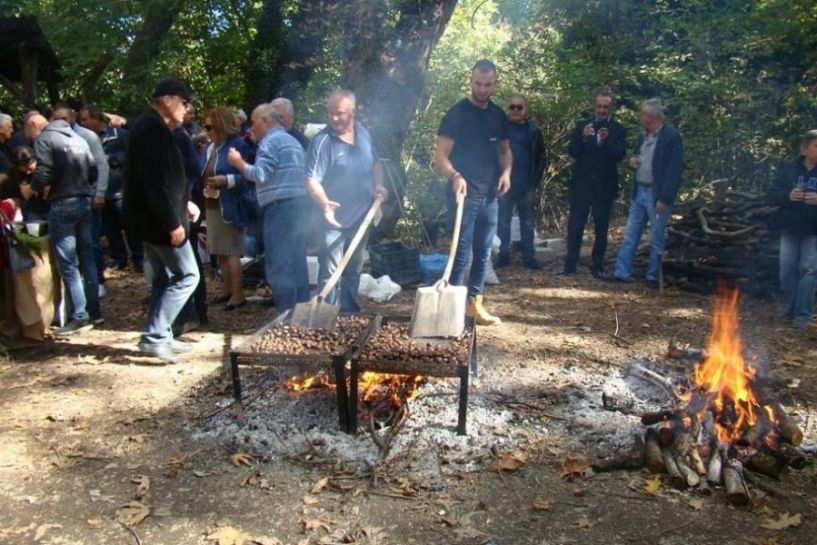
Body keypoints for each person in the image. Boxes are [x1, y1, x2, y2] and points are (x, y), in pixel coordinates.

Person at [123, 77, 201, 362]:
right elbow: (154, 183)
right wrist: (173, 222)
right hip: (158, 222)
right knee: (188, 275)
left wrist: (186, 203)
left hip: (153, 218)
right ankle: (155, 336)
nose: (186, 108)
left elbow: (167, 178)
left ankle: (162, 335)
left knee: (164, 278)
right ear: (167, 100)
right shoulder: (151, 129)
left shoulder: (151, 126)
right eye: (184, 102)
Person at [435, 59, 511, 326]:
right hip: (463, 194)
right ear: (471, 80)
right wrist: (455, 176)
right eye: (478, 83)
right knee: (461, 253)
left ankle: (474, 305)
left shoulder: (498, 115)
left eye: (487, 84)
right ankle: (449, 309)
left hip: (490, 195)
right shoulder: (456, 114)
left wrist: (506, 173)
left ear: (494, 84)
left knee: (483, 252)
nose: (482, 89)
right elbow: (440, 157)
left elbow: (504, 150)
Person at [305, 90, 389, 314]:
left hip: (362, 216)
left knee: (353, 268)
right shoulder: (322, 141)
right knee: (331, 271)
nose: (334, 118)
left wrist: (378, 185)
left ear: (353, 112)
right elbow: (311, 180)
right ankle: (325, 316)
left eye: (339, 113)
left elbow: (376, 164)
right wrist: (324, 203)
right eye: (330, 113)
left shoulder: (364, 134)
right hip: (333, 219)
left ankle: (349, 313)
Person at [228, 102, 309, 314]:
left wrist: (238, 163)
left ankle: (286, 315)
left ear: (266, 121)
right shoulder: (292, 141)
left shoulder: (270, 142)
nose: (250, 128)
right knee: (297, 260)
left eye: (253, 122)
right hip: (298, 207)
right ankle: (302, 311)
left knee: (279, 264)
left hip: (279, 209)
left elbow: (260, 175)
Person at [27, 111, 100, 335]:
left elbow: (43, 173)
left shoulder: (45, 139)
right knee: (87, 258)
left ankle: (79, 315)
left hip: (62, 203)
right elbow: (94, 170)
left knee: (67, 262)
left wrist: (31, 189)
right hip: (84, 201)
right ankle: (94, 309)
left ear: (33, 124)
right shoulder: (78, 139)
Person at [605, 99, 684, 288]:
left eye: (643, 115)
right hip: (639, 190)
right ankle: (622, 272)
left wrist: (664, 197)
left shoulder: (671, 137)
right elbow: (636, 156)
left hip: (657, 193)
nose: (640, 118)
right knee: (631, 234)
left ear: (650, 117)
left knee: (656, 237)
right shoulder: (643, 135)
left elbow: (674, 170)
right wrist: (632, 162)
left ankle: (652, 277)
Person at [562, 87, 628, 277]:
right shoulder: (583, 125)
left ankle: (597, 266)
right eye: (599, 106)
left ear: (611, 107)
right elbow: (572, 152)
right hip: (582, 185)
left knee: (601, 228)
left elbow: (619, 155)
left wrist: (607, 141)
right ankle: (570, 265)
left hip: (604, 186)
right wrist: (582, 138)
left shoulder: (618, 129)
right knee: (575, 226)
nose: (601, 110)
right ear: (594, 106)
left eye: (605, 107)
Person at [51, 103, 110, 300]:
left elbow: (100, 166)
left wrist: (99, 192)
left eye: (64, 119)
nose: (61, 123)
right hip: (65, 199)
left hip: (88, 198)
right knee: (72, 249)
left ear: (72, 118)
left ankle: (97, 282)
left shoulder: (87, 136)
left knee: (91, 243)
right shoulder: (53, 138)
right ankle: (80, 291)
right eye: (56, 119)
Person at [200, 106, 254, 310]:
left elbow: (251, 176)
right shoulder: (210, 148)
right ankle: (227, 290)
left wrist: (227, 180)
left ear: (222, 126)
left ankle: (238, 294)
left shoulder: (239, 146)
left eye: (210, 127)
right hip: (212, 204)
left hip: (231, 206)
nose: (207, 131)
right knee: (220, 251)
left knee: (232, 251)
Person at [79, 104, 142, 272]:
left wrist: (111, 158)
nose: (83, 123)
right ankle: (119, 259)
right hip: (99, 190)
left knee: (130, 226)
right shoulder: (84, 139)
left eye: (85, 119)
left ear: (95, 118)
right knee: (110, 228)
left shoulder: (119, 134)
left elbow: (131, 156)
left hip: (121, 189)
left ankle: (139, 258)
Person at [770, 130, 817, 328]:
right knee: (786, 271)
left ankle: (803, 314)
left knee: (808, 270)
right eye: (816, 146)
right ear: (804, 149)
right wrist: (787, 196)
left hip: (813, 230)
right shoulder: (789, 170)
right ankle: (789, 308)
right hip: (789, 228)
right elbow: (772, 194)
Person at [495, 95, 546, 270]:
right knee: (502, 221)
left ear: (526, 110)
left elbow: (541, 156)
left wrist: (534, 180)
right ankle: (502, 256)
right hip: (504, 184)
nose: (515, 110)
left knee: (528, 222)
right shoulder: (501, 129)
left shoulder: (533, 130)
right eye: (512, 107)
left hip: (526, 184)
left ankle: (529, 257)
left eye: (519, 107)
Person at [1, 146, 49, 221]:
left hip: (48, 207)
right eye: (23, 168)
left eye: (29, 168)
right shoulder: (13, 174)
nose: (28, 172)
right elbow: (15, 194)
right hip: (31, 209)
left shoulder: (43, 170)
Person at [0, 113, 13, 186]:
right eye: (9, 127)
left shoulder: (7, 146)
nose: (12, 130)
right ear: (1, 129)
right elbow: (5, 171)